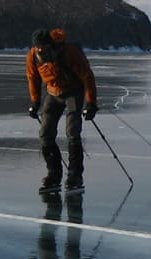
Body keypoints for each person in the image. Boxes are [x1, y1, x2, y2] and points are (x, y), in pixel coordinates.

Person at [26, 27, 98, 192]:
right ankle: (54, 174)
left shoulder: (69, 52)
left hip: (74, 92)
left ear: (50, 45)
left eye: (43, 48)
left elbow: (87, 76)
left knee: (72, 132)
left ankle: (75, 175)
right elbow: (32, 77)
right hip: (53, 93)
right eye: (37, 48)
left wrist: (91, 103)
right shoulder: (32, 56)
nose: (40, 51)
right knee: (45, 134)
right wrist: (35, 102)